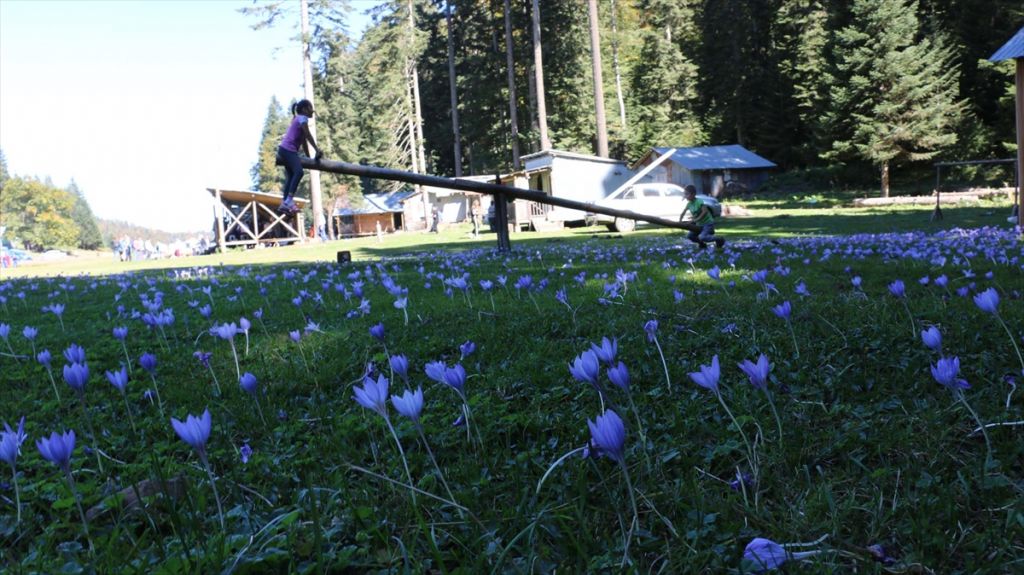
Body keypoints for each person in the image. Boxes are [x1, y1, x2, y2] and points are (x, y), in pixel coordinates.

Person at [277, 99, 323, 215]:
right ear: (304, 109)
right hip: (288, 150)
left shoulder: (298, 119)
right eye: (310, 108)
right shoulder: (302, 118)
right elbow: (307, 135)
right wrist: (317, 149)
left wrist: (310, 158)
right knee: (299, 172)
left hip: (284, 150)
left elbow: (303, 141)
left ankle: (284, 203)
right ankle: (289, 200)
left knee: (291, 176)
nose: (312, 111)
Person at [680, 185, 724, 249]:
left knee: (702, 237)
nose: (685, 196)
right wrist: (680, 221)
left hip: (707, 224)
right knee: (690, 236)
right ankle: (702, 244)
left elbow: (705, 211)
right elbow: (683, 213)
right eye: (685, 194)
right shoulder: (689, 204)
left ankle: (719, 239)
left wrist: (696, 219)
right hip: (699, 224)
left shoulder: (699, 201)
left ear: (693, 194)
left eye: (687, 194)